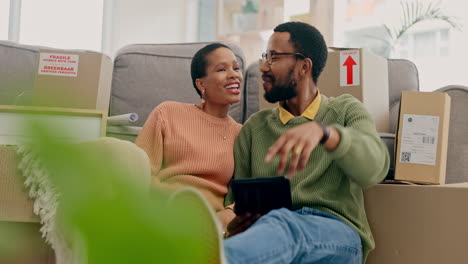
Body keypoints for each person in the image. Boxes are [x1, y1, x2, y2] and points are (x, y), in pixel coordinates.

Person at [222, 22, 390, 264]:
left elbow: (374, 168)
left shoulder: (344, 109)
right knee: (276, 225)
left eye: (274, 57)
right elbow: (236, 200)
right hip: (273, 238)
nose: (264, 66)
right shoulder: (254, 128)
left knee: (284, 225)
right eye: (264, 56)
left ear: (304, 66)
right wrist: (238, 225)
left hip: (336, 234)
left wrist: (326, 134)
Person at [135, 43, 243, 225]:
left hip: (210, 223)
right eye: (222, 69)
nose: (234, 74)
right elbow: (139, 170)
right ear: (201, 83)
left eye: (236, 68)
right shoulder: (167, 113)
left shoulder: (240, 133)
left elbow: (246, 191)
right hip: (163, 209)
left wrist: (229, 214)